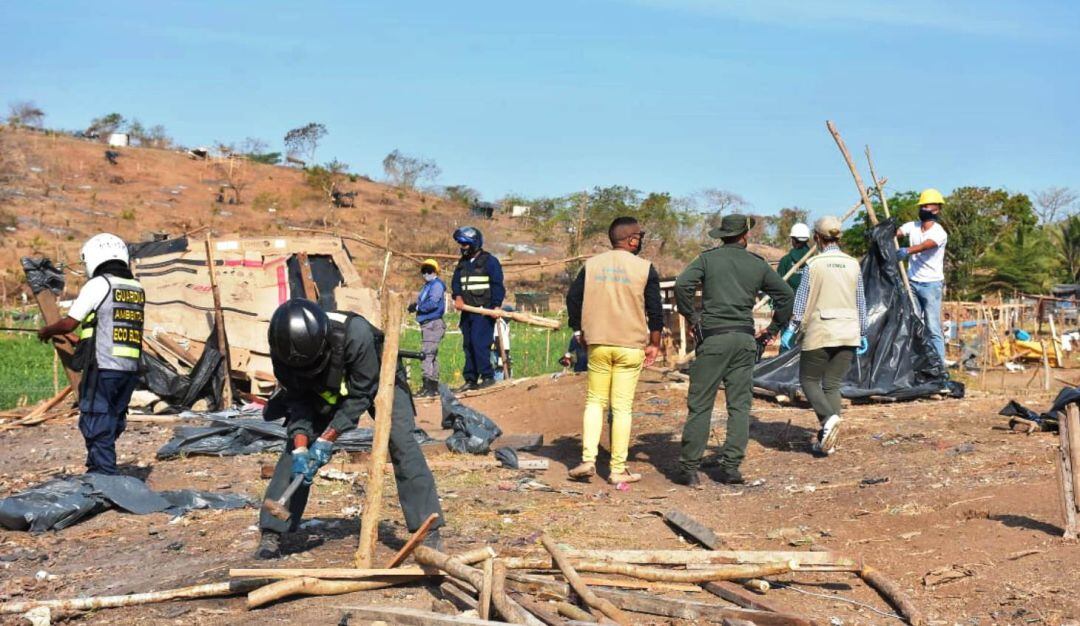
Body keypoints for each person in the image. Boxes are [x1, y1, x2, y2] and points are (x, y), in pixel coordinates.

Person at [254, 299, 444, 560]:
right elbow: (297, 400)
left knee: (401, 441)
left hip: (377, 375)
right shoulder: (283, 351)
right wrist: (301, 446)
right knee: (295, 451)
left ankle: (428, 530)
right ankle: (272, 531)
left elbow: (361, 394)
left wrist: (328, 437)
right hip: (322, 387)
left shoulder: (355, 335)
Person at [674, 214, 793, 486]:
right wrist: (773, 329)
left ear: (722, 235)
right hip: (744, 340)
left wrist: (692, 318)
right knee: (739, 407)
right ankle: (731, 469)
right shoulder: (757, 264)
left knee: (701, 405)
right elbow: (786, 296)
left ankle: (689, 470)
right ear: (745, 235)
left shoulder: (707, 260)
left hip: (713, 339)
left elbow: (682, 285)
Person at [566, 217, 663, 484]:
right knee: (621, 408)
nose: (640, 241)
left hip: (598, 343)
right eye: (639, 237)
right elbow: (655, 310)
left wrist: (578, 330)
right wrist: (654, 343)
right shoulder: (645, 268)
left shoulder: (592, 265)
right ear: (632, 240)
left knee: (595, 401)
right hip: (630, 346)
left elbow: (573, 298)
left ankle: (588, 460)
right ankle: (617, 470)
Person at [37, 233, 144, 476]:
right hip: (129, 369)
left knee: (96, 420)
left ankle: (104, 476)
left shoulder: (99, 284)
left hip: (103, 367)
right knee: (112, 419)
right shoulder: (135, 287)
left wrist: (47, 330)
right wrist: (77, 341)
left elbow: (69, 323)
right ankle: (99, 467)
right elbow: (109, 327)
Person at [780, 216, 868, 456]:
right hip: (848, 332)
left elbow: (802, 300)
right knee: (832, 384)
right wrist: (863, 331)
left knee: (808, 380)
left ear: (817, 238)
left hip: (821, 330)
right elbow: (861, 301)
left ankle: (828, 419)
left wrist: (791, 328)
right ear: (839, 237)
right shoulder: (853, 264)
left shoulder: (814, 264)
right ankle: (830, 441)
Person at [450, 226, 505, 391]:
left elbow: (497, 285)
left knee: (479, 343)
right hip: (467, 312)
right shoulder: (463, 263)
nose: (462, 247)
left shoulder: (490, 261)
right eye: (461, 244)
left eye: (465, 244)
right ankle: (471, 379)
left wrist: (496, 306)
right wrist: (458, 297)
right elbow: (456, 283)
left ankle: (487, 376)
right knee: (468, 345)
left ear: (474, 243)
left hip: (483, 311)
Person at [898, 189, 948, 363]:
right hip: (912, 282)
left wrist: (907, 250)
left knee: (932, 326)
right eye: (922, 206)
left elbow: (926, 245)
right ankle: (915, 363)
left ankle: (939, 366)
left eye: (927, 206)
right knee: (912, 322)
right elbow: (898, 232)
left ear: (937, 209)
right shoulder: (913, 226)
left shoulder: (939, 232)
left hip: (931, 285)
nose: (923, 209)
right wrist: (886, 232)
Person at [407, 259, 445, 398]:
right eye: (423, 271)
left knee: (427, 354)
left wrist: (418, 307)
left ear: (435, 272)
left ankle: (428, 387)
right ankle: (433, 387)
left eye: (429, 270)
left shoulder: (436, 285)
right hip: (428, 323)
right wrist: (416, 306)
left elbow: (433, 303)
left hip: (433, 323)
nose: (426, 274)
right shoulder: (428, 286)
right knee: (432, 355)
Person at [777, 223, 812, 292]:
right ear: (807, 240)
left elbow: (779, 285)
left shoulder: (785, 260)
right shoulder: (815, 260)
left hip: (790, 297)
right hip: (811, 297)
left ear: (793, 240)